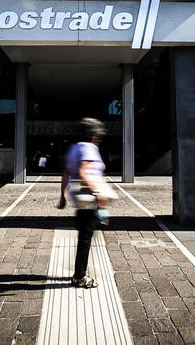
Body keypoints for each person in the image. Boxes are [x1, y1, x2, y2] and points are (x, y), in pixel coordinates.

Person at [58, 117, 108, 289]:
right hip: (89, 198)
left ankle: (79, 274)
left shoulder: (74, 148)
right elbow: (83, 171)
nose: (99, 137)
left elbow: (66, 173)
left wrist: (63, 196)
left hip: (79, 198)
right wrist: (99, 193)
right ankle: (80, 277)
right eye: (98, 134)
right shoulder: (89, 148)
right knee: (85, 238)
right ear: (94, 134)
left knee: (84, 236)